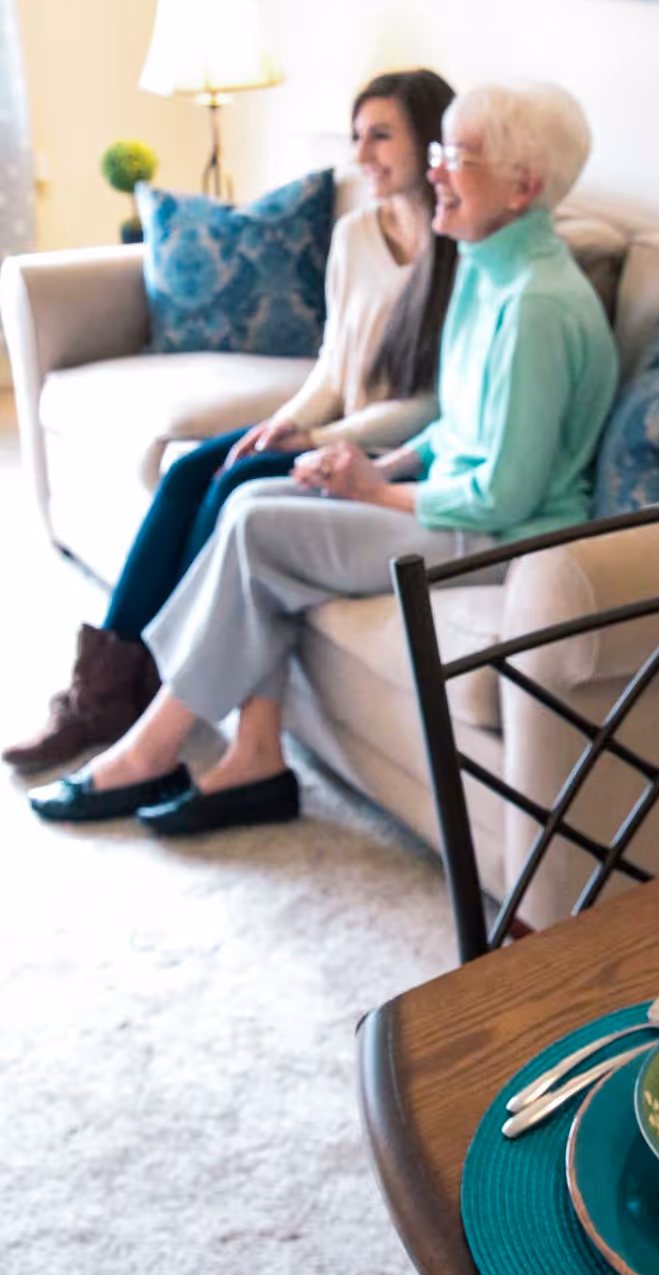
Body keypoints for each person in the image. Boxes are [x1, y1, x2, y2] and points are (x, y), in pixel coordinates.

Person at [29, 82, 620, 835]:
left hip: (511, 538)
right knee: (244, 503)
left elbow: (505, 494)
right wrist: (381, 462)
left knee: (259, 532)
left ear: (522, 186)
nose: (436, 171)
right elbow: (457, 421)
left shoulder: (536, 304)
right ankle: (251, 758)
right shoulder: (488, 263)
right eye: (435, 151)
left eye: (456, 156)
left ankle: (153, 745)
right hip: (458, 500)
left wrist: (371, 492)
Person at [5, 68, 457, 773]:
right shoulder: (356, 234)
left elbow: (437, 403)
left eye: (381, 136)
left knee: (233, 487)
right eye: (356, 136)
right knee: (191, 469)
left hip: (387, 454)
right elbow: (334, 364)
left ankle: (147, 687)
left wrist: (323, 439)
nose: (362, 155)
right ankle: (99, 686)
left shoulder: (460, 245)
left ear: (430, 139)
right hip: (331, 432)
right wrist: (286, 422)